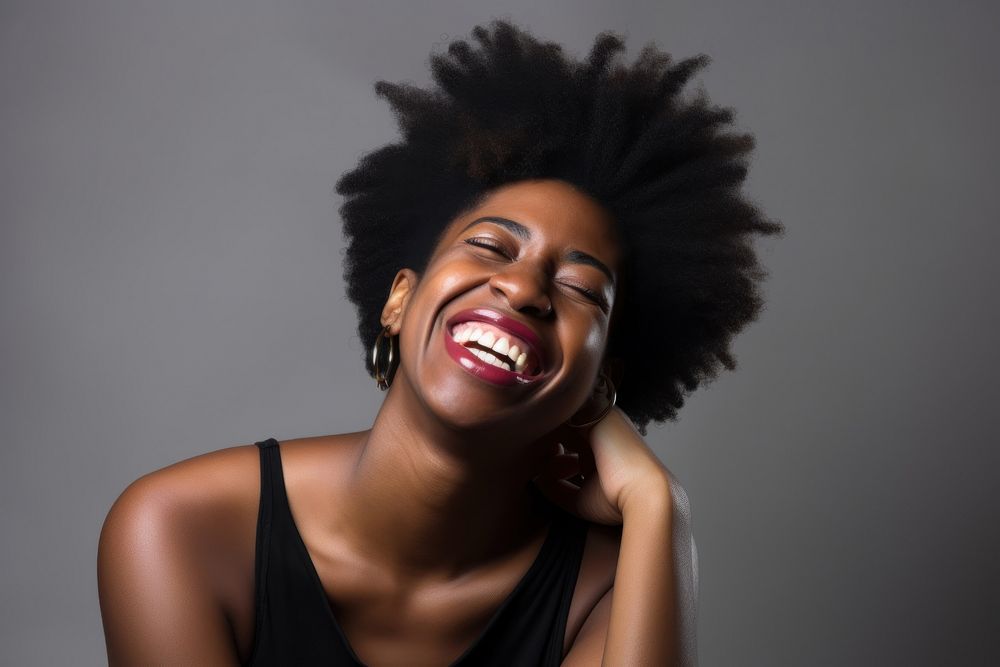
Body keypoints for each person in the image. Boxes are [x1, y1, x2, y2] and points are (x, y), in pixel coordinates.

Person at [97, 19, 781, 666]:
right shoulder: (182, 528)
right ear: (398, 300)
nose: (521, 288)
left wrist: (659, 504)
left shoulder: (609, 586)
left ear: (601, 381)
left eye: (579, 287)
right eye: (489, 246)